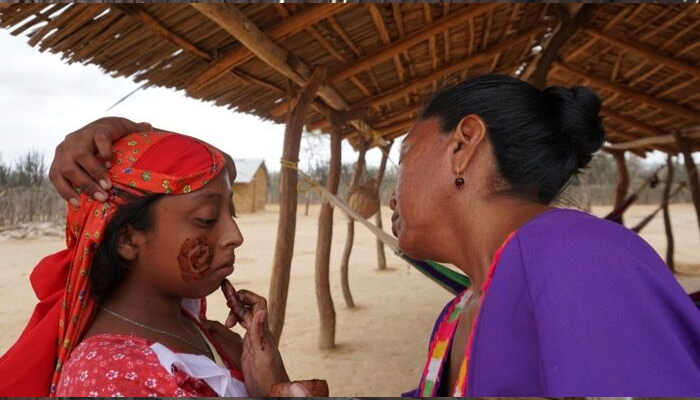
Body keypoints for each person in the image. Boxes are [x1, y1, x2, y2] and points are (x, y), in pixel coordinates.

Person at [387, 75, 700, 396]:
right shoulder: (458, 313)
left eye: (403, 161)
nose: (392, 199)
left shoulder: (579, 259)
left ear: (463, 145)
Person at [0, 129, 305, 397]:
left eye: (231, 213)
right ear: (127, 240)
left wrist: (271, 382)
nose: (235, 236)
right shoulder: (108, 379)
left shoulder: (200, 329)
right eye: (207, 219)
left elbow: (218, 161)